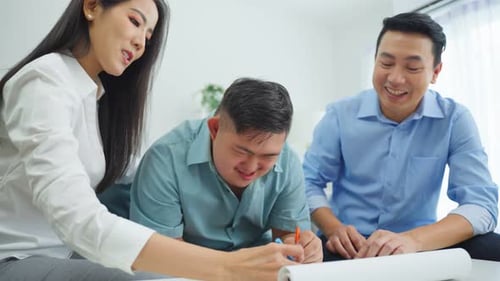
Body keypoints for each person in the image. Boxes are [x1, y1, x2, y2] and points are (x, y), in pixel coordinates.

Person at [0, 1, 305, 280]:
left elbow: (134, 169)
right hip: (16, 255)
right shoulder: (44, 82)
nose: (140, 42)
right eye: (135, 21)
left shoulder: (94, 97)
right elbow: (76, 217)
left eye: (148, 35)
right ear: (92, 6)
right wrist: (227, 266)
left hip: (66, 251)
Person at [303, 12, 500, 262]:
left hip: (418, 242)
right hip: (349, 244)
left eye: (413, 67)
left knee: (492, 247)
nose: (395, 78)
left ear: (436, 72)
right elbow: (308, 182)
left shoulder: (455, 118)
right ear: (375, 61)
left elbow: (481, 205)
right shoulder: (339, 115)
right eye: (386, 64)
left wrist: (413, 240)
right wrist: (334, 228)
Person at [130, 77, 323, 264]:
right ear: (214, 128)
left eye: (268, 156)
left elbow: (287, 237)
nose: (251, 167)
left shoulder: (288, 161)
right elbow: (161, 257)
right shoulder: (165, 159)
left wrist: (300, 248)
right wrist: (236, 268)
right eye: (241, 151)